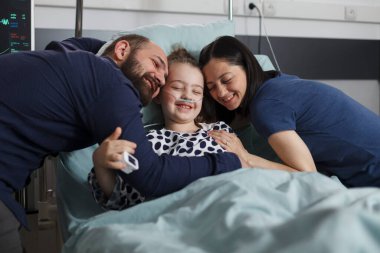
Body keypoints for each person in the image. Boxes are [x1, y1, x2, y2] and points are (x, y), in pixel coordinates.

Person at [0, 35, 243, 252]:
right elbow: (142, 184)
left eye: (197, 90)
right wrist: (232, 162)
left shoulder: (219, 132)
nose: (159, 77)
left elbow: (73, 44)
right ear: (122, 50)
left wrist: (243, 158)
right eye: (157, 65)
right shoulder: (121, 99)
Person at [89, 47, 298, 210]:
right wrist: (101, 164)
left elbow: (248, 170)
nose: (187, 96)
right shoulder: (146, 142)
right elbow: (124, 199)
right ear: (159, 94)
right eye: (177, 88)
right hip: (186, 212)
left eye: (197, 91)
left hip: (238, 200)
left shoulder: (221, 131)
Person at [199, 35, 380, 187]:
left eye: (227, 80)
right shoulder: (276, 82)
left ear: (247, 67)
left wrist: (246, 157)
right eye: (211, 87)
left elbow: (308, 174)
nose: (221, 93)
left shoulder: (265, 107)